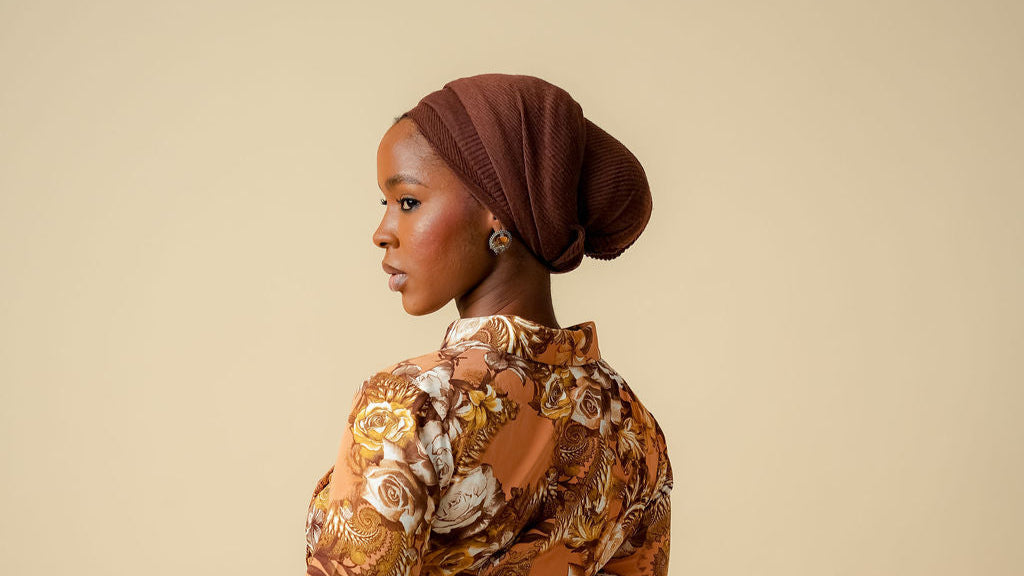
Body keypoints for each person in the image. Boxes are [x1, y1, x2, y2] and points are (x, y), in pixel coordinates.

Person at [304, 73, 672, 576]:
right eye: (384, 204)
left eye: (408, 201)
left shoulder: (411, 404)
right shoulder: (633, 427)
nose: (382, 232)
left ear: (496, 213)